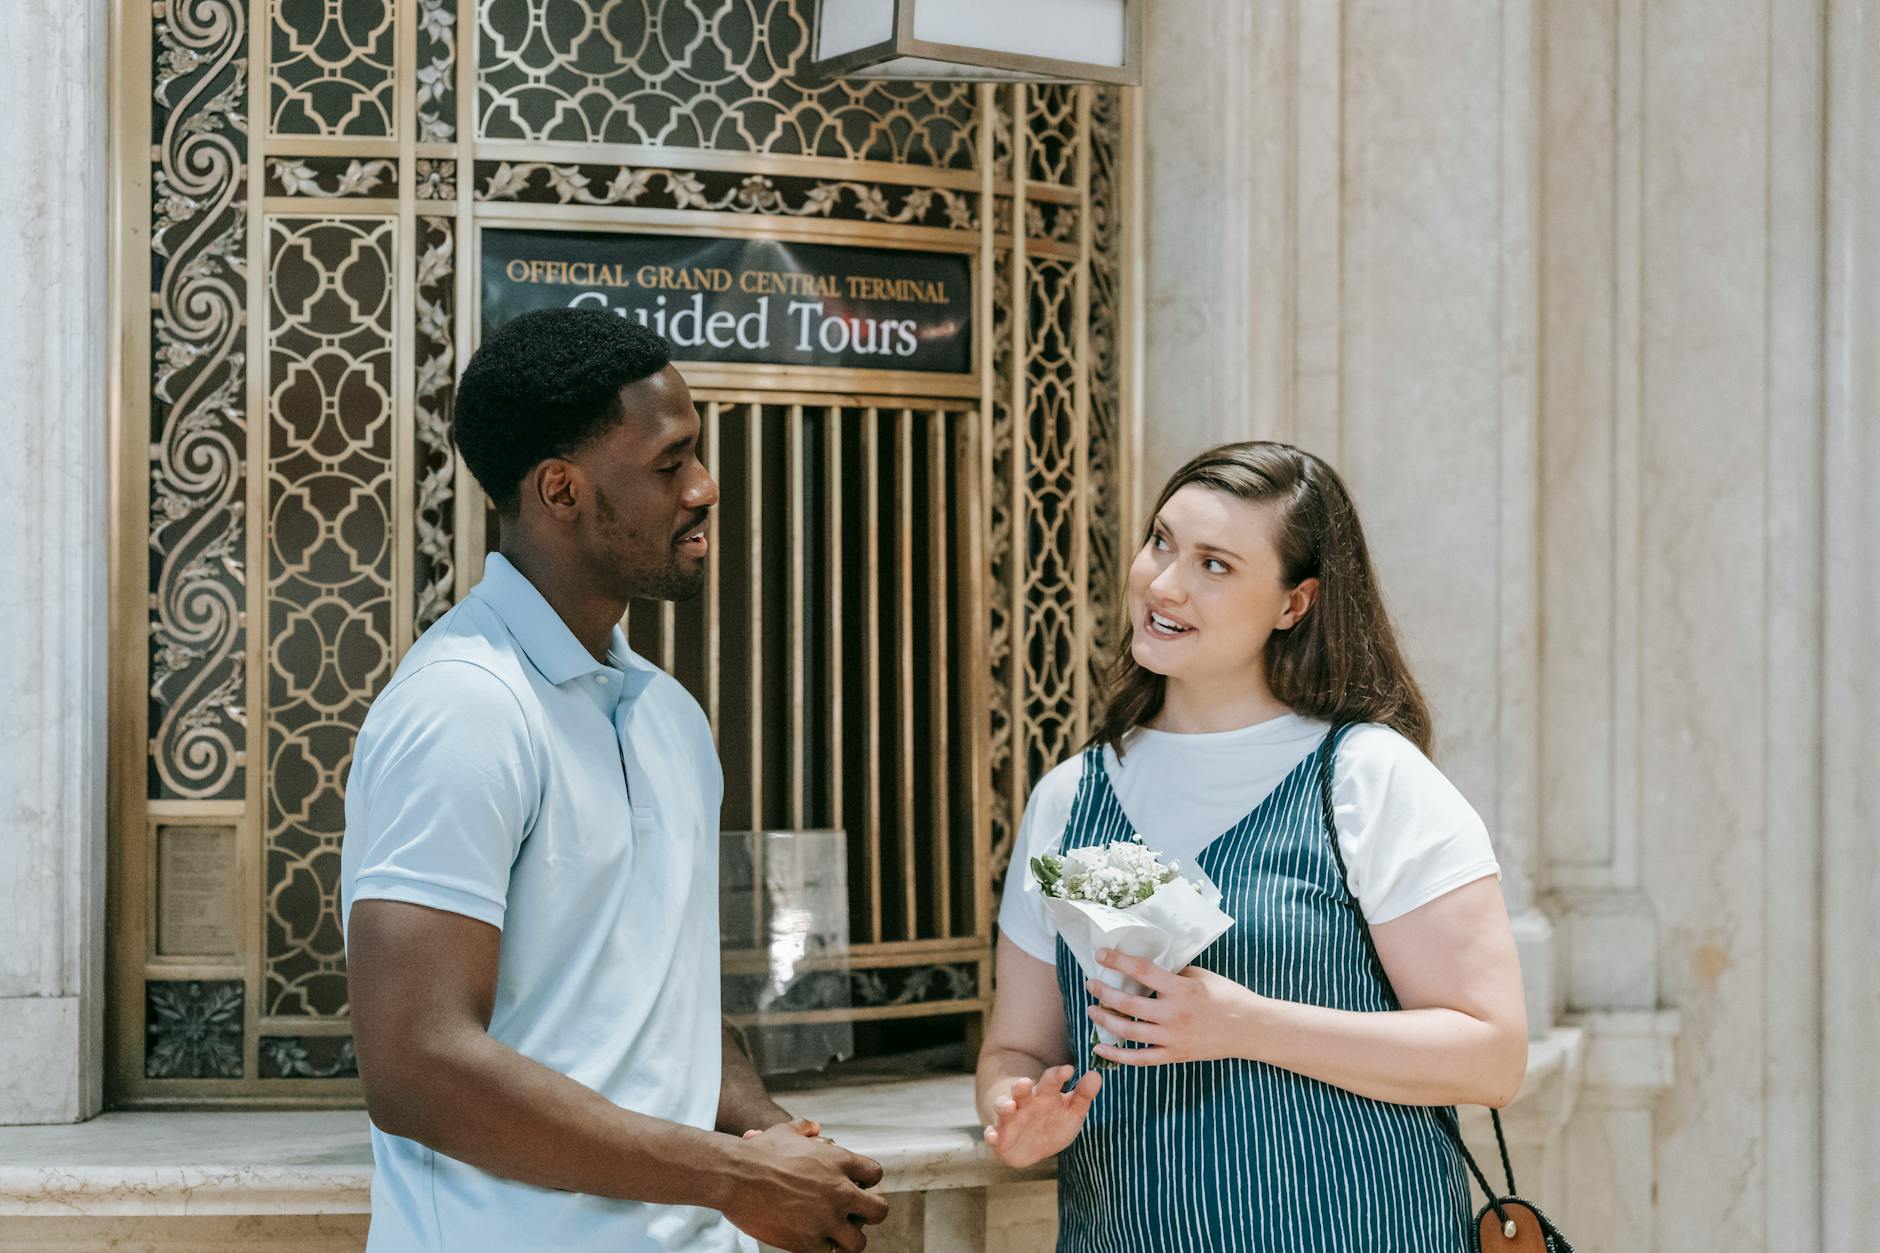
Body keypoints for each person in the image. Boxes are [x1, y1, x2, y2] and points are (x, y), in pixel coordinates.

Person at [340, 308, 889, 1253]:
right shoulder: (463, 707)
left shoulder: (669, 716)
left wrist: (770, 1137)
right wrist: (732, 1173)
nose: (706, 488)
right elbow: (415, 1064)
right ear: (561, 488)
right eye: (671, 463)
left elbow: (658, 996)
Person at [975, 441, 1528, 1251]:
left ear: (1294, 604)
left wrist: (1243, 1023)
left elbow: (1491, 1056)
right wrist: (1016, 1113)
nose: (1164, 584)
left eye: (1216, 565)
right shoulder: (1069, 798)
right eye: (1161, 541)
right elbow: (1017, 1046)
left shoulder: (1368, 777)